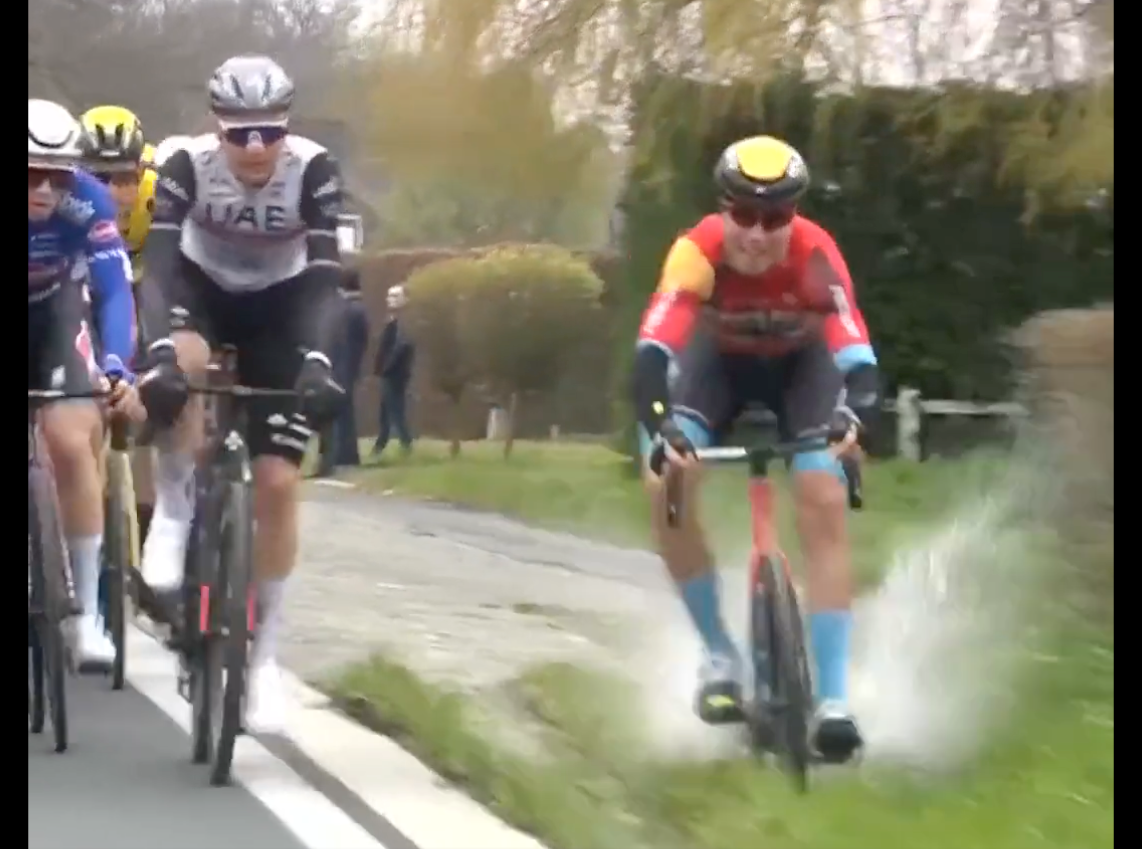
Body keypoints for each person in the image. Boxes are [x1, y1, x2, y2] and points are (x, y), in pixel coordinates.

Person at [631, 135, 882, 764]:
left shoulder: (816, 256)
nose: (757, 232)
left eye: (775, 218)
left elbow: (859, 363)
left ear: (793, 217)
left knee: (822, 490)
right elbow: (651, 357)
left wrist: (853, 416)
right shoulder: (696, 254)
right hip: (713, 371)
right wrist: (663, 428)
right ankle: (718, 653)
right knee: (666, 482)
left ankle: (833, 700)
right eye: (743, 213)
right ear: (723, 209)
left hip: (803, 372)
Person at [136, 54, 345, 732]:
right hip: (202, 292)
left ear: (286, 127)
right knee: (181, 368)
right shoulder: (186, 168)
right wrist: (161, 351)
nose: (255, 147)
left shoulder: (313, 170)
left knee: (279, 483)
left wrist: (317, 359)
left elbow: (324, 279)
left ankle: (265, 662)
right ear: (216, 127)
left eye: (268, 132)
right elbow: (161, 268)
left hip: (282, 307)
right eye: (239, 133)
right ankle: (172, 510)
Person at [29, 99, 142, 669]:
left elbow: (116, 290)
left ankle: (87, 616)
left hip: (56, 315)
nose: (45, 190)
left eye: (58, 176)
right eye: (31, 175)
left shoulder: (89, 200)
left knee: (72, 441)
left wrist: (119, 364)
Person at [79, 105, 161, 544]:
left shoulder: (157, 193)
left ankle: (146, 512)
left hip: (143, 282)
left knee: (148, 382)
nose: (113, 190)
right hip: (87, 283)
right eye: (100, 177)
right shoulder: (67, 196)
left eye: (125, 179)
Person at [316, 268, 369, 476]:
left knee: (339, 412)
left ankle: (342, 455)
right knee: (346, 412)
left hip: (341, 367)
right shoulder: (358, 309)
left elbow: (340, 341)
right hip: (348, 366)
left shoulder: (347, 310)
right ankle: (346, 454)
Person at [371, 284, 415, 458]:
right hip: (389, 372)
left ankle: (406, 443)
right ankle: (380, 444)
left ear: (405, 299)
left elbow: (401, 345)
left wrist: (386, 367)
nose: (391, 299)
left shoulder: (405, 320)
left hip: (396, 373)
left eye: (396, 296)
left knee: (395, 410)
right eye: (390, 296)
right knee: (386, 410)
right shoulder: (393, 319)